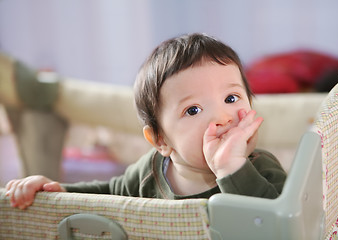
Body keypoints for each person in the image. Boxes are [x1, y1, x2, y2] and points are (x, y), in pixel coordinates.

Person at [5, 33, 286, 209]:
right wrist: (58, 190)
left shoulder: (261, 168)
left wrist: (232, 169)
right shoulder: (150, 173)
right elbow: (107, 195)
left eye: (232, 98)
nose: (222, 117)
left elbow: (281, 226)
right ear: (160, 140)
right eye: (193, 110)